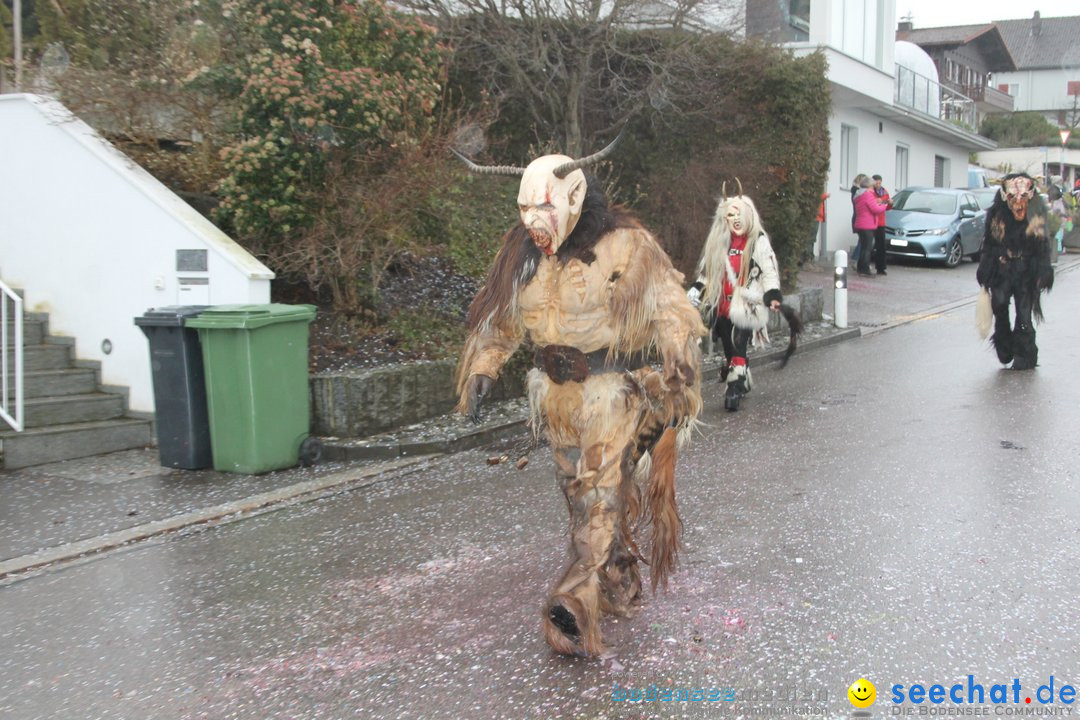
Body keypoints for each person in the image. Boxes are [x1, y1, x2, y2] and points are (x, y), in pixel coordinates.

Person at [452, 139, 705, 657]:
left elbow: (669, 305)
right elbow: (501, 320)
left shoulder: (626, 245)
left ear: (570, 198)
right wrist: (483, 368)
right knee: (582, 502)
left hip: (612, 399)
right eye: (524, 208)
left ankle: (573, 604)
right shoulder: (522, 254)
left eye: (543, 207)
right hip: (557, 402)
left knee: (598, 498)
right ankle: (619, 585)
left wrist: (679, 356)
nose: (532, 220)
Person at [687, 186, 801, 412]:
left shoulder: (757, 241)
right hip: (720, 304)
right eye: (731, 215)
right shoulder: (718, 241)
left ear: (749, 215)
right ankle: (740, 373)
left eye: (739, 215)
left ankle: (734, 387)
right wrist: (696, 290)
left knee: (738, 343)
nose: (736, 220)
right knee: (729, 347)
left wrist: (772, 294)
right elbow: (707, 271)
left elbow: (768, 269)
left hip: (746, 305)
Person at [975, 173, 1053, 370]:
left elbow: (1042, 245)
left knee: (1024, 313)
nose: (1018, 203)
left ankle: (1025, 354)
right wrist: (986, 267)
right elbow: (989, 243)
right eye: (1013, 197)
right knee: (1000, 305)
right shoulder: (997, 215)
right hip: (1003, 269)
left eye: (1023, 197)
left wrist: (1043, 269)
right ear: (1005, 197)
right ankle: (1004, 343)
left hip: (1026, 271)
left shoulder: (1036, 216)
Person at [852, 175, 887, 277]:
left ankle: (860, 268)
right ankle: (865, 270)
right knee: (867, 249)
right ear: (868, 186)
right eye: (872, 186)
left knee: (863, 247)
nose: (873, 188)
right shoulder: (867, 195)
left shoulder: (859, 195)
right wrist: (884, 205)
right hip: (867, 224)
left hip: (861, 223)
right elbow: (875, 209)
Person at [871, 174, 892, 275]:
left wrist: (890, 204)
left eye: (880, 183)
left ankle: (881, 268)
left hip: (881, 222)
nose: (878, 185)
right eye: (876, 183)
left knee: (881, 246)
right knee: (868, 246)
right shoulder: (870, 192)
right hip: (871, 221)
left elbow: (887, 207)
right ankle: (863, 265)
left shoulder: (884, 192)